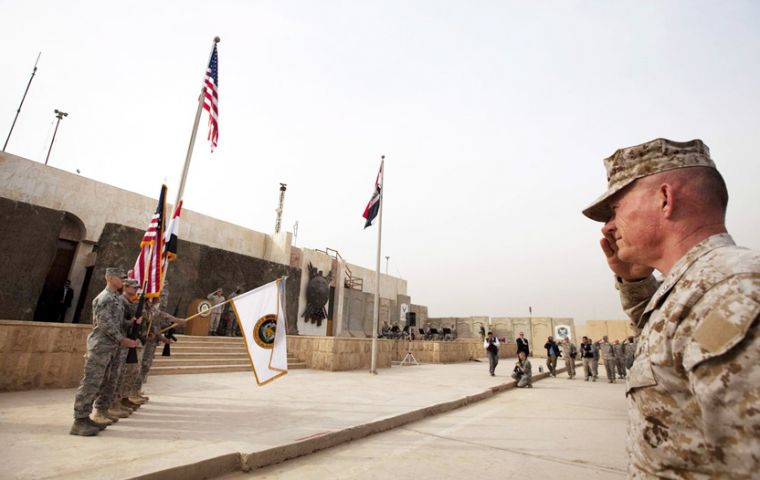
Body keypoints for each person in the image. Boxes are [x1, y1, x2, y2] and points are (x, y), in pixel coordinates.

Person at [583, 138, 760, 477]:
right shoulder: (702, 288)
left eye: (615, 210)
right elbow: (670, 338)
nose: (608, 226)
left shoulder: (735, 291)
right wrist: (634, 283)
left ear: (665, 199)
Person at [71, 267, 139, 436]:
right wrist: (123, 340)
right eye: (120, 277)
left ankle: (87, 417)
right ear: (109, 278)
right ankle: (79, 420)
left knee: (101, 382)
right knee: (91, 383)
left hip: (110, 347)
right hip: (100, 347)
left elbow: (118, 322)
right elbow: (105, 324)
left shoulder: (115, 299)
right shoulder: (105, 298)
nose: (123, 280)